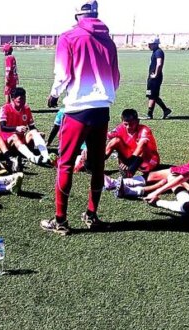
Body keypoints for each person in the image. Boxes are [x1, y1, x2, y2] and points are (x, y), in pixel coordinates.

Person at [42, 0, 120, 235]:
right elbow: (116, 77)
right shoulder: (109, 40)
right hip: (102, 109)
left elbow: (63, 73)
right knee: (97, 165)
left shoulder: (69, 37)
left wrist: (54, 93)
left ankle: (61, 220)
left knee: (65, 163)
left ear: (77, 15)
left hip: (77, 109)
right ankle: (91, 215)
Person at [0, 87, 52, 167]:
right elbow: (2, 127)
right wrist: (16, 128)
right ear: (13, 99)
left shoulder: (26, 109)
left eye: (24, 99)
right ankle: (32, 158)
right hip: (9, 142)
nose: (23, 102)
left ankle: (45, 156)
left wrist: (37, 136)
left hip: (21, 141)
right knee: (14, 136)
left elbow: (32, 127)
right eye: (20, 100)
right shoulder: (4, 108)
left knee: (34, 132)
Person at [105, 108, 160, 178]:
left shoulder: (144, 130)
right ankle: (96, 164)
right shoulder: (120, 128)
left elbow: (143, 144)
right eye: (125, 124)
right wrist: (86, 147)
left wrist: (129, 162)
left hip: (149, 161)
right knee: (115, 141)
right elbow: (104, 136)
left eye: (131, 124)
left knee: (142, 144)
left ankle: (129, 173)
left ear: (137, 121)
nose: (128, 127)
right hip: (130, 158)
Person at [143, 37, 172, 120]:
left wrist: (156, 74)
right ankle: (165, 110)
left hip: (155, 78)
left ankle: (150, 114)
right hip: (151, 78)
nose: (148, 46)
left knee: (153, 95)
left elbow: (159, 64)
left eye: (150, 44)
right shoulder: (155, 52)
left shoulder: (159, 52)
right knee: (150, 95)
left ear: (155, 44)